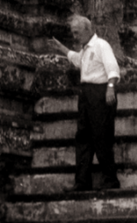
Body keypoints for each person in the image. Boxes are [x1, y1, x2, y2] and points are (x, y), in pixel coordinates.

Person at [51, 15, 120, 192]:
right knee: (83, 137)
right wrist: (61, 48)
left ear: (88, 30)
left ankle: (110, 180)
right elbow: (77, 60)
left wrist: (110, 88)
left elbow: (113, 69)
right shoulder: (86, 50)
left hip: (100, 93)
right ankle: (82, 181)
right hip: (86, 94)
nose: (75, 36)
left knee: (101, 137)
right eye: (73, 33)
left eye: (77, 33)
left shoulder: (101, 46)